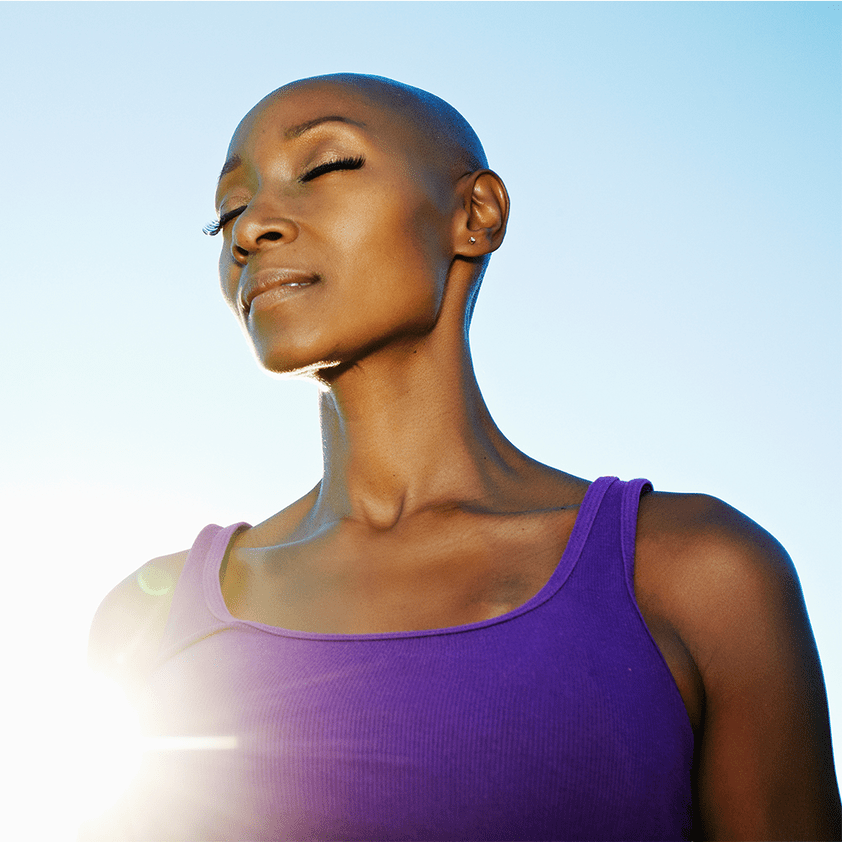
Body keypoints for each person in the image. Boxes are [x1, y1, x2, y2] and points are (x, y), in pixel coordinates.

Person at [87, 73, 841, 841]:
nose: (252, 229)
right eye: (227, 213)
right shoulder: (143, 622)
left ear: (475, 214)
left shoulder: (698, 572)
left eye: (324, 168)